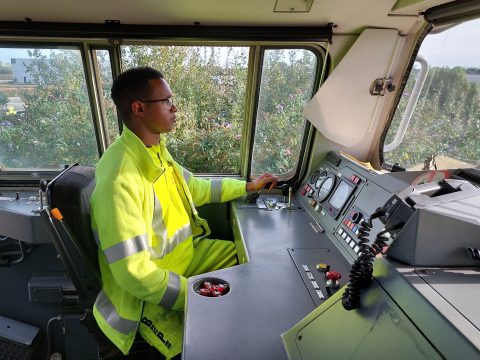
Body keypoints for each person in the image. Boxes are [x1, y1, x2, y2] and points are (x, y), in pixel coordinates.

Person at [89, 66, 278, 359]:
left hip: (188, 258)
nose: (174, 108)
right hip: (148, 298)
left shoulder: (154, 151)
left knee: (254, 266)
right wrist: (193, 295)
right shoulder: (120, 179)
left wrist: (248, 187)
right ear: (139, 108)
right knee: (202, 348)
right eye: (166, 101)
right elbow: (134, 275)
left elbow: (196, 188)